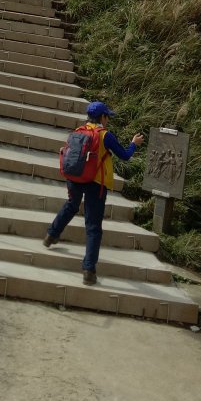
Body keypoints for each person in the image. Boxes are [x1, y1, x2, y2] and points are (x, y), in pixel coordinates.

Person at [44, 101, 144, 285]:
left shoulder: (78, 131)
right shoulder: (105, 135)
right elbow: (125, 155)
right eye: (107, 117)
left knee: (71, 205)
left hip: (74, 178)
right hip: (95, 184)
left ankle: (51, 234)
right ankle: (88, 270)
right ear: (102, 117)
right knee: (93, 226)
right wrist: (134, 144)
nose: (108, 121)